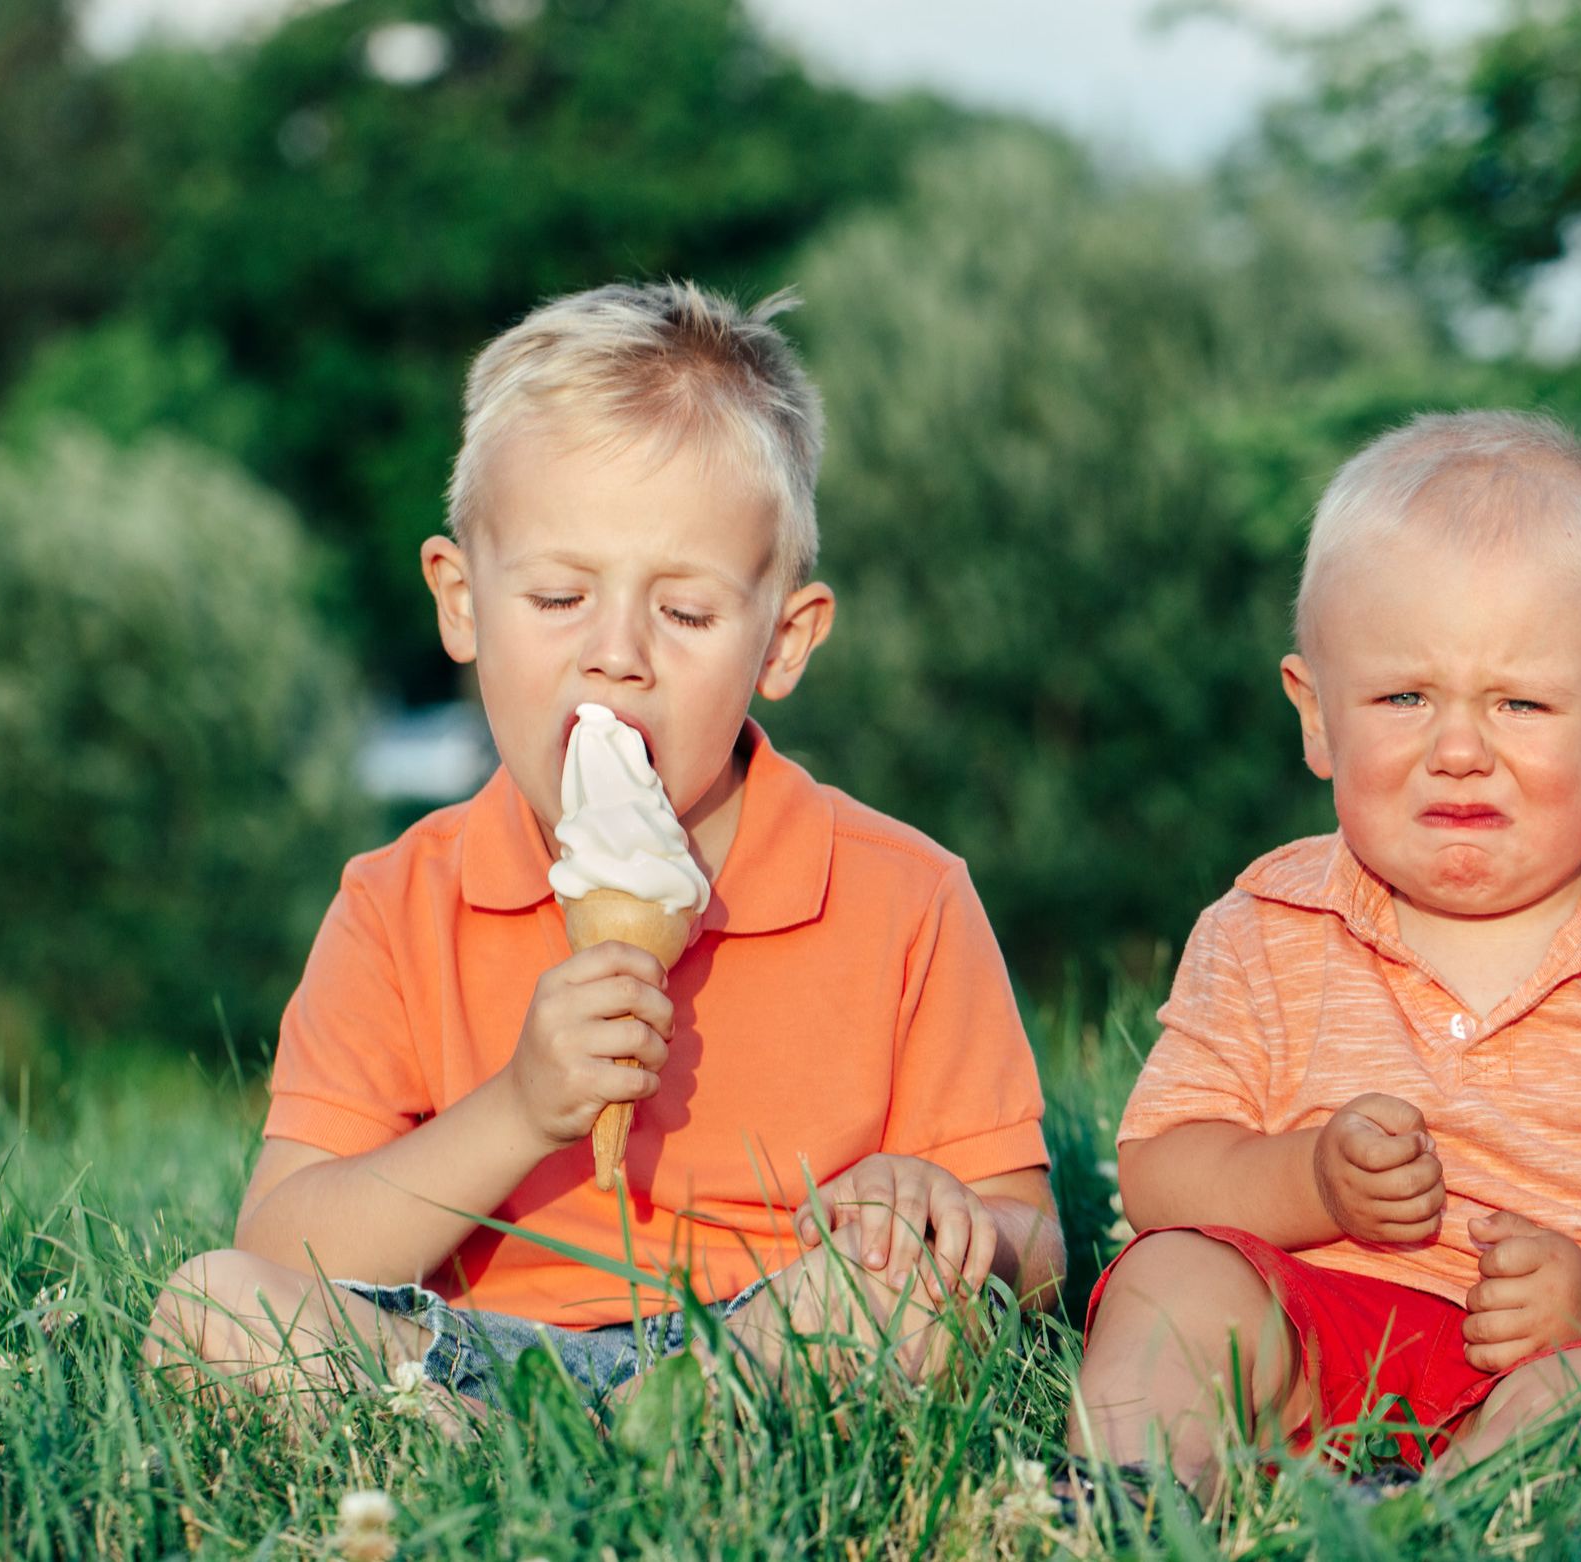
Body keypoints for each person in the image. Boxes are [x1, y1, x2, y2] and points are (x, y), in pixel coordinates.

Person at [146, 282, 1064, 1422]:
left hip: (768, 1334)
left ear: (783, 639)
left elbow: (1032, 1244)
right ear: (462, 601)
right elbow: (284, 1238)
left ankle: (675, 1431)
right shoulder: (397, 903)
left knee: (918, 1299)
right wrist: (518, 1109)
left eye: (683, 613)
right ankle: (485, 1450)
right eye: (558, 594)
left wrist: (934, 1209)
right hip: (463, 1346)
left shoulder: (904, 895)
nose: (615, 654)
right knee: (213, 1304)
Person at [1067, 410, 1581, 1491]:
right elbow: (1161, 1171)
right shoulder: (1260, 925)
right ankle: (1134, 1484)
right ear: (1317, 716)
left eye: (1520, 701)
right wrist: (1310, 1180)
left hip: (1554, 1353)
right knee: (1177, 1274)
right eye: (1402, 697)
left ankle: (1439, 1509)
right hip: (1310, 1334)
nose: (1461, 750)